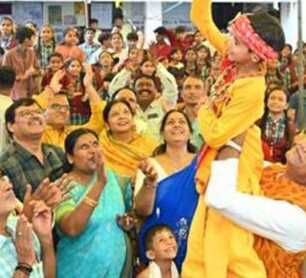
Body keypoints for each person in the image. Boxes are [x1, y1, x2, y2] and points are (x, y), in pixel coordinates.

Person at [181, 0, 286, 278]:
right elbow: (201, 19)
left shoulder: (252, 88)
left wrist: (203, 105)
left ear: (255, 55)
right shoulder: (234, 60)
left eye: (238, 42)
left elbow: (214, 133)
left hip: (236, 164)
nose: (229, 44)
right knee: (205, 240)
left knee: (229, 247)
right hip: (222, 159)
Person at [205, 132, 306, 277]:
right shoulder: (276, 171)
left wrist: (235, 139)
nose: (305, 147)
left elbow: (219, 198)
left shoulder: (298, 217)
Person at [55, 128, 132, 278]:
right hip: (77, 269)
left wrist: (127, 223)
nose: (92, 151)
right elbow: (71, 229)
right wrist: (99, 184)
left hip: (116, 267)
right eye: (84, 147)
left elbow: (131, 212)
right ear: (70, 158)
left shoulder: (112, 178)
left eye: (95, 144)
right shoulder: (63, 186)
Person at [135, 109, 199, 271]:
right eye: (171, 122)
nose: (176, 125)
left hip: (197, 241)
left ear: (190, 133)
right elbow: (142, 211)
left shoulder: (202, 163)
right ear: (162, 134)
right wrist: (149, 184)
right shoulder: (150, 165)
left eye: (182, 122)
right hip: (160, 248)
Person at [0, 98, 66, 200]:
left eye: (38, 112)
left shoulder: (57, 151)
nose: (35, 116)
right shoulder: (5, 163)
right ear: (11, 126)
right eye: (25, 114)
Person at [108, 63, 178, 140]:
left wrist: (158, 67)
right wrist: (126, 71)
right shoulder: (128, 108)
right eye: (140, 85)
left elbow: (172, 88)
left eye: (149, 85)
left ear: (156, 90)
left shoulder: (164, 105)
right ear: (134, 90)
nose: (144, 88)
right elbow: (114, 91)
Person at [3, 27, 41, 100]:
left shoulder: (32, 53)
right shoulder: (9, 55)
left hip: (32, 91)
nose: (34, 40)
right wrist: (24, 76)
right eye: (33, 38)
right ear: (26, 39)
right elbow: (6, 76)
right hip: (16, 93)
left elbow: (38, 70)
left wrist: (34, 72)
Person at [258, 87, 295, 163]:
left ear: (286, 105)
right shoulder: (258, 122)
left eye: (280, 100)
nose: (275, 102)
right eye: (272, 98)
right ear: (267, 102)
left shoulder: (291, 127)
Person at [179, 75, 207, 149]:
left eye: (197, 87)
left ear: (204, 93)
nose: (192, 91)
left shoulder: (211, 119)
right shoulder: (175, 119)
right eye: (188, 87)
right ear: (181, 93)